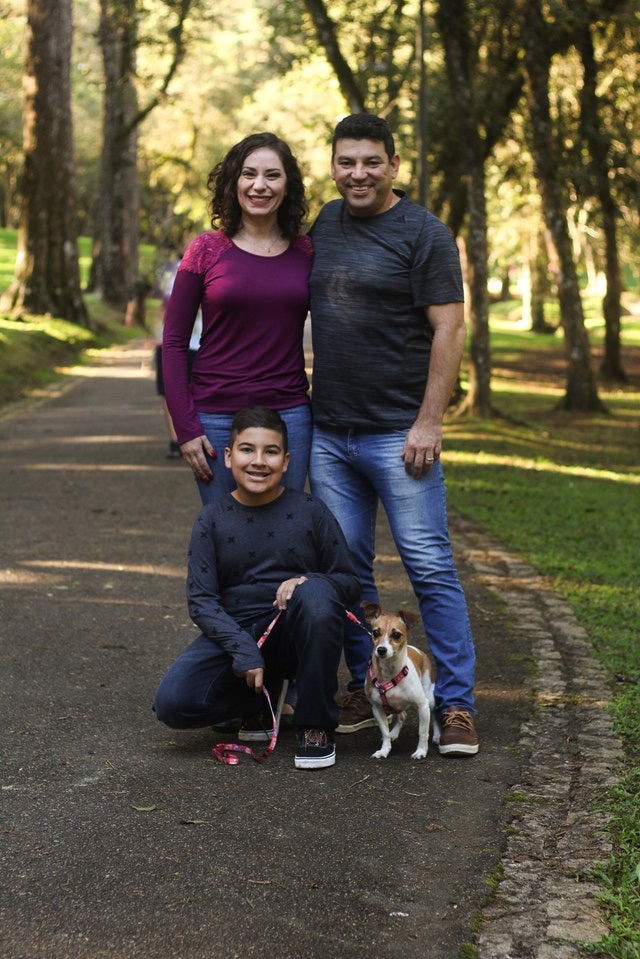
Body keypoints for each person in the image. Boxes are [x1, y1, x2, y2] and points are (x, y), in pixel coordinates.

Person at [308, 113, 479, 756]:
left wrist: (430, 420)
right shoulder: (326, 222)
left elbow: (449, 328)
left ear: (393, 165)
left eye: (371, 162)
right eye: (346, 162)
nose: (358, 174)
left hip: (399, 434)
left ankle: (456, 705)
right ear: (334, 165)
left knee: (429, 567)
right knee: (347, 574)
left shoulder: (424, 233)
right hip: (331, 434)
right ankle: (371, 688)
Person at [153, 406, 360, 770]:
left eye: (271, 451)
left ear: (286, 460)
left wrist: (309, 581)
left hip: (297, 632)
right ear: (228, 456)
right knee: (173, 704)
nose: (259, 461)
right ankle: (262, 699)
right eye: (247, 450)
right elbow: (201, 600)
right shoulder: (212, 518)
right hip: (238, 634)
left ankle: (315, 725)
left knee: (315, 593)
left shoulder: (312, 511)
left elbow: (349, 582)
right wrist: (243, 650)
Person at [161, 132, 313, 504]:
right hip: (216, 417)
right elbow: (174, 342)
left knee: (285, 529)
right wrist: (185, 428)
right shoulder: (205, 249)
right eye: (249, 174)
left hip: (289, 416)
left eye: (272, 175)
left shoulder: (308, 251)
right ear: (234, 181)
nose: (260, 185)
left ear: (288, 185)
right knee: (227, 530)